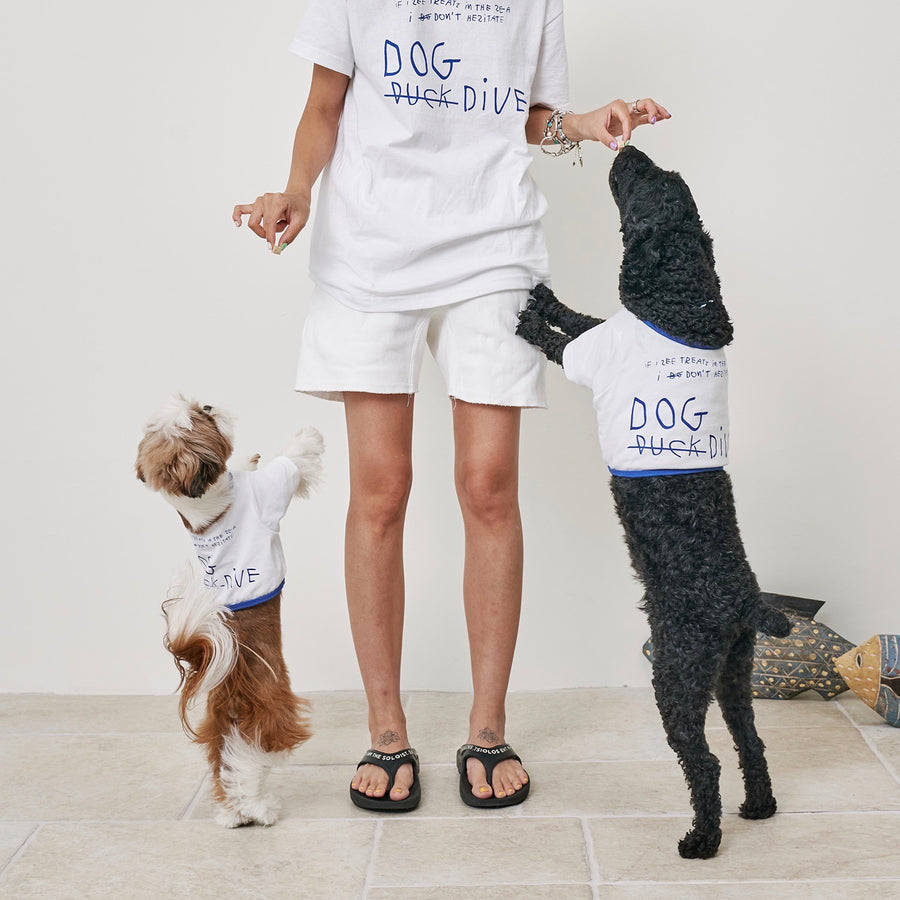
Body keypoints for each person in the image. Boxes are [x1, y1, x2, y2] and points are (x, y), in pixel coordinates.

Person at [233, 0, 669, 811]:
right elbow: (324, 105)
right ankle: (386, 731)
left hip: (492, 243)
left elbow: (526, 116)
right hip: (370, 247)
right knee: (382, 489)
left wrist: (583, 122)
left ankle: (488, 728)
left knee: (489, 485)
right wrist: (296, 189)